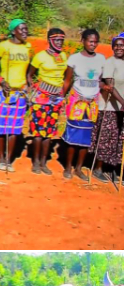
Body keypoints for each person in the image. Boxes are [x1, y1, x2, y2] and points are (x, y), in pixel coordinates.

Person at [60, 29, 106, 181]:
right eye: (90, 41)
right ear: (83, 41)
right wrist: (61, 98)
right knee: (73, 136)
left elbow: (102, 81)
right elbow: (67, 81)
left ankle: (79, 168)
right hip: (76, 102)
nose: (93, 44)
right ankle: (68, 167)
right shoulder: (74, 59)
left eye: (95, 42)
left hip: (93, 103)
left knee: (87, 138)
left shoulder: (101, 59)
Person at [24, 28, 69, 175]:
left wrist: (62, 94)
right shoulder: (40, 56)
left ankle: (44, 162)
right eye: (56, 40)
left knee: (49, 133)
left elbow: (66, 77)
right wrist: (32, 90)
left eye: (61, 40)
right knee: (38, 132)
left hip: (56, 99)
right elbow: (29, 75)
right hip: (41, 98)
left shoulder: (63, 56)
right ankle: (35, 162)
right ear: (49, 40)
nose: (59, 43)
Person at [0, 19, 32, 171]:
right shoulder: (4, 46)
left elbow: (27, 69)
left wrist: (28, 83)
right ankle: (1, 158)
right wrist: (1, 81)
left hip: (19, 92)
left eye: (26, 29)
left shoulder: (28, 47)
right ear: (13, 31)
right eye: (21, 29)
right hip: (3, 91)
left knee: (15, 128)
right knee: (2, 127)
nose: (25, 32)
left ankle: (8, 160)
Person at [91, 33, 124, 183]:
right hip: (110, 107)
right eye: (116, 45)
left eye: (122, 44)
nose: (119, 47)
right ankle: (98, 168)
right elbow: (110, 86)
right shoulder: (110, 63)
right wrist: (123, 102)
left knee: (119, 141)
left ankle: (113, 170)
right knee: (105, 140)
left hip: (122, 109)